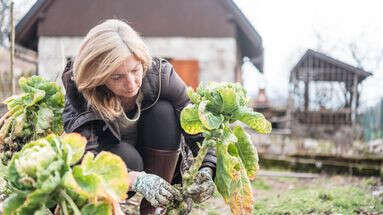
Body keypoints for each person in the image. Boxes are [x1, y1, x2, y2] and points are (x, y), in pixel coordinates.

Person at [61, 19, 216, 214]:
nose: (131, 83)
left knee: (164, 112)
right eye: (116, 77)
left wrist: (207, 168)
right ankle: (113, 205)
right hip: (115, 158)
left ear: (142, 60)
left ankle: (157, 205)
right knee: (129, 157)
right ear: (97, 77)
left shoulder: (161, 76)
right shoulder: (81, 92)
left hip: (157, 154)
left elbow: (198, 126)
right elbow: (86, 157)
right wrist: (137, 179)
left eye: (135, 70)